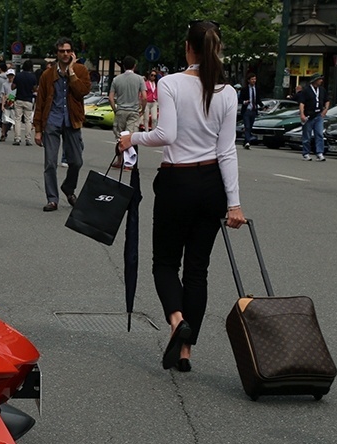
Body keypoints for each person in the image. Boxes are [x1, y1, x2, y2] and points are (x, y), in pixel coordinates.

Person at [118, 20, 246, 372]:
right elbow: (227, 151)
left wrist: (133, 139)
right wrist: (233, 202)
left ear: (189, 47)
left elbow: (166, 134)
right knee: (197, 271)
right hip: (212, 186)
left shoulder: (171, 82)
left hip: (177, 183)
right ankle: (186, 352)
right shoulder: (228, 92)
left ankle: (177, 321)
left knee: (164, 263)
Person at [33, 37, 92, 211]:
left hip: (72, 120)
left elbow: (83, 91)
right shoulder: (47, 75)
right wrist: (38, 129)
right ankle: (52, 198)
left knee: (76, 161)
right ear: (56, 53)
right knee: (50, 163)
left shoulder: (81, 70)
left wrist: (72, 72)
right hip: (52, 120)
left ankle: (68, 187)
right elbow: (41, 102)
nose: (65, 54)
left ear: (72, 52)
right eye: (61, 51)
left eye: (68, 51)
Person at [109, 56, 146, 140]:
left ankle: (120, 152)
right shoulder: (140, 79)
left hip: (121, 111)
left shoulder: (116, 79)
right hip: (133, 112)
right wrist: (142, 110)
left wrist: (115, 109)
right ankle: (131, 152)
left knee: (120, 138)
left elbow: (111, 98)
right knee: (130, 138)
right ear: (134, 66)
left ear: (123, 66)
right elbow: (144, 97)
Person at [299, 73, 329, 161]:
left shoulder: (322, 90)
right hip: (309, 115)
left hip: (318, 115)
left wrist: (325, 110)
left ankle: (319, 152)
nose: (321, 81)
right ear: (315, 80)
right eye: (320, 79)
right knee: (307, 135)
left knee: (319, 134)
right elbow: (302, 103)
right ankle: (306, 153)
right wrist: (302, 114)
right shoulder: (306, 91)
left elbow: (327, 101)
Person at [12, 61, 38, 145]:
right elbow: (35, 89)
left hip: (19, 98)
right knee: (28, 120)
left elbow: (13, 87)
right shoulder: (33, 77)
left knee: (17, 119)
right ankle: (28, 139)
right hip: (28, 100)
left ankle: (17, 138)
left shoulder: (18, 75)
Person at [238, 72, 264, 149]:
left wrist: (262, 106)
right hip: (246, 110)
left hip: (253, 110)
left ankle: (246, 140)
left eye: (255, 79)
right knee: (247, 126)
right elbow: (239, 99)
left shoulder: (257, 89)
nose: (254, 81)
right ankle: (247, 142)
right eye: (252, 79)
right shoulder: (244, 89)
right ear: (248, 80)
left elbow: (258, 99)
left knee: (250, 126)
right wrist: (244, 102)